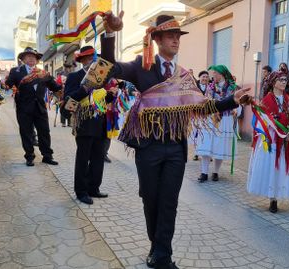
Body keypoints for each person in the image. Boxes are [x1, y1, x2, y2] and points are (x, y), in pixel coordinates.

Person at [103, 12, 250, 269]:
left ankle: (163, 256)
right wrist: (110, 34)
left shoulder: (184, 76)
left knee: (169, 202)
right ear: (156, 39)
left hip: (175, 149)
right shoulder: (141, 66)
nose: (176, 39)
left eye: (178, 35)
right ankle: (156, 247)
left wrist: (232, 101)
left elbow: (203, 107)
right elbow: (108, 71)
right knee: (151, 199)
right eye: (170, 35)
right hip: (148, 147)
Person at [247, 71, 289, 213]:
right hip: (272, 137)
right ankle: (273, 199)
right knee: (274, 167)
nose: (284, 82)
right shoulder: (266, 101)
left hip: (287, 137)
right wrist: (274, 122)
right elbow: (261, 121)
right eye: (281, 80)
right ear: (273, 83)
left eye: (285, 80)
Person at [66, 45, 115, 205]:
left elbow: (102, 101)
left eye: (94, 58)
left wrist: (111, 96)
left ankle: (94, 188)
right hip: (84, 123)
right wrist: (84, 89)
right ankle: (81, 191)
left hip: (101, 122)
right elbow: (68, 103)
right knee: (83, 158)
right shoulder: (75, 77)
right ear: (82, 60)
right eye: (88, 58)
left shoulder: (102, 77)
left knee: (98, 157)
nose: (92, 61)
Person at [5, 47, 61, 166]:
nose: (31, 58)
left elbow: (55, 87)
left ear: (36, 60)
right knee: (26, 132)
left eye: (34, 57)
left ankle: (47, 156)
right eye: (28, 56)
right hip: (24, 108)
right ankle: (29, 156)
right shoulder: (16, 71)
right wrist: (4, 83)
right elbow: (8, 84)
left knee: (44, 132)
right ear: (23, 59)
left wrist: (65, 87)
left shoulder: (43, 73)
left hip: (40, 107)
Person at [196, 65, 241, 182]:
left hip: (225, 119)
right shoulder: (210, 87)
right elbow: (205, 101)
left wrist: (236, 110)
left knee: (220, 147)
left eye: (215, 73)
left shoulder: (233, 88)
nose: (212, 75)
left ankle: (215, 172)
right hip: (211, 119)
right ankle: (204, 172)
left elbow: (239, 103)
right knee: (206, 145)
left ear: (222, 74)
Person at [192, 70, 210, 161]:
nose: (205, 78)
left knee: (206, 133)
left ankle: (207, 153)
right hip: (196, 113)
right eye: (203, 77)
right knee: (196, 133)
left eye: (207, 77)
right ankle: (196, 152)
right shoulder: (195, 86)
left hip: (207, 114)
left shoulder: (211, 87)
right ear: (199, 77)